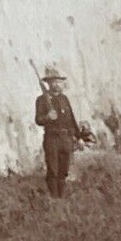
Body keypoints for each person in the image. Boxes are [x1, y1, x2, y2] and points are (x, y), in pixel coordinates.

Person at [35, 65, 82, 198]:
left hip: (65, 139)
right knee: (53, 170)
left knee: (64, 170)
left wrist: (78, 137)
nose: (57, 84)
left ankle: (61, 198)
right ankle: (54, 199)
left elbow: (71, 119)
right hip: (52, 139)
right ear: (48, 83)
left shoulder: (64, 99)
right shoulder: (41, 100)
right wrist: (47, 117)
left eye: (59, 81)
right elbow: (38, 120)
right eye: (53, 81)